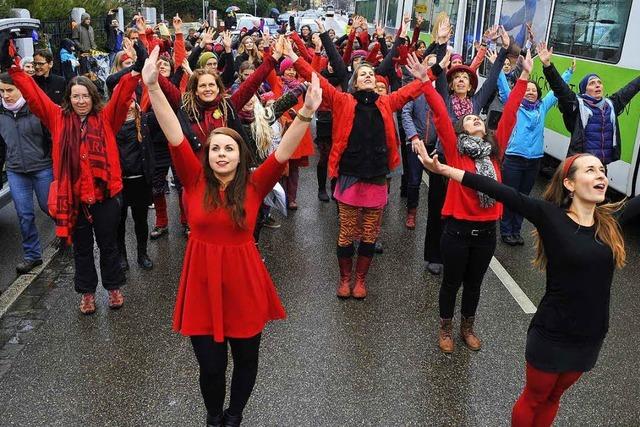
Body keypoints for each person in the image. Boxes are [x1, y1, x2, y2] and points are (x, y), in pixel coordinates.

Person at [141, 45, 322, 427]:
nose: (222, 154)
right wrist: (154, 88)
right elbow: (175, 134)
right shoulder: (192, 179)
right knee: (210, 366)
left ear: (240, 155)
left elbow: (284, 151)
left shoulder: (255, 184)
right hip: (201, 281)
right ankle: (212, 415)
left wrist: (305, 113)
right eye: (215, 149)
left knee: (246, 360)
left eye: (229, 148)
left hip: (244, 282)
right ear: (206, 155)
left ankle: (235, 415)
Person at [415, 146, 640, 427]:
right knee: (536, 397)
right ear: (569, 183)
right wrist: (444, 170)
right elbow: (495, 188)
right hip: (552, 334)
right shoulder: (550, 216)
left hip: (591, 336)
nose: (601, 176)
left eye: (603, 171)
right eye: (591, 169)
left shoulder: (610, 223)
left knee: (554, 397)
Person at [7, 45, 143, 315]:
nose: (81, 101)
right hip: (74, 199)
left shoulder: (106, 118)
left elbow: (122, 97)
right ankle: (87, 294)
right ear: (68, 98)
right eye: (75, 96)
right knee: (82, 250)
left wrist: (136, 72)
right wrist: (14, 71)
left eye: (85, 96)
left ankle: (114, 287)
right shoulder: (57, 118)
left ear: (93, 97)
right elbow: (34, 95)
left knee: (109, 245)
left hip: (105, 196)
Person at [290, 48, 432, 299]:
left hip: (377, 178)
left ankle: (361, 280)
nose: (368, 76)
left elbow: (414, 89)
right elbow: (317, 78)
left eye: (371, 74)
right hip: (349, 178)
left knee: (369, 233)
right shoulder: (343, 100)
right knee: (346, 232)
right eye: (362, 74)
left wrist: (431, 71)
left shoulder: (387, 102)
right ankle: (345, 279)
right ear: (354, 83)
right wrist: (293, 57)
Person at [418, 48, 533, 353]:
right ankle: (445, 328)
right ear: (462, 129)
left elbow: (509, 115)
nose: (476, 119)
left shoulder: (495, 151)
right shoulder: (455, 151)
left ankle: (467, 327)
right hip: (456, 231)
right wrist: (426, 82)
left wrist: (524, 75)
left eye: (478, 118)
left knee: (474, 285)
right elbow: (442, 114)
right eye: (470, 119)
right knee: (451, 284)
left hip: (486, 233)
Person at [497, 45, 574, 246]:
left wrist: (569, 72)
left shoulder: (542, 106)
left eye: (534, 90)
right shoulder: (513, 104)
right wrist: (496, 66)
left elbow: (557, 91)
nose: (531, 92)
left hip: (534, 160)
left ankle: (516, 229)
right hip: (514, 158)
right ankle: (506, 230)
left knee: (524, 198)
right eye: (527, 90)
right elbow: (504, 88)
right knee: (511, 196)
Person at [541, 42, 640, 165]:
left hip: (601, 166)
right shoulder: (577, 105)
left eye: (599, 82)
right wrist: (548, 66)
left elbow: (630, 89)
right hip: (581, 166)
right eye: (592, 83)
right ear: (584, 90)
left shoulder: (610, 104)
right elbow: (560, 88)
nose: (597, 84)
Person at [0, 73, 54, 274]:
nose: (5, 95)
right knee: (24, 213)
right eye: (1, 91)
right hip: (15, 170)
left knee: (50, 207)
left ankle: (68, 233)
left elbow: (52, 137)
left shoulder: (35, 109)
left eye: (9, 90)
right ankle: (32, 255)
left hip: (42, 167)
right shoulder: (1, 113)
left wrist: (52, 162)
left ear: (21, 89)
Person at [115, 95, 154, 271]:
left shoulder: (145, 120)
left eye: (130, 101)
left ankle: (142, 254)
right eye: (124, 102)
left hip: (140, 181)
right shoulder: (111, 123)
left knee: (141, 221)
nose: (128, 106)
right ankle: (122, 256)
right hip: (119, 183)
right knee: (119, 222)